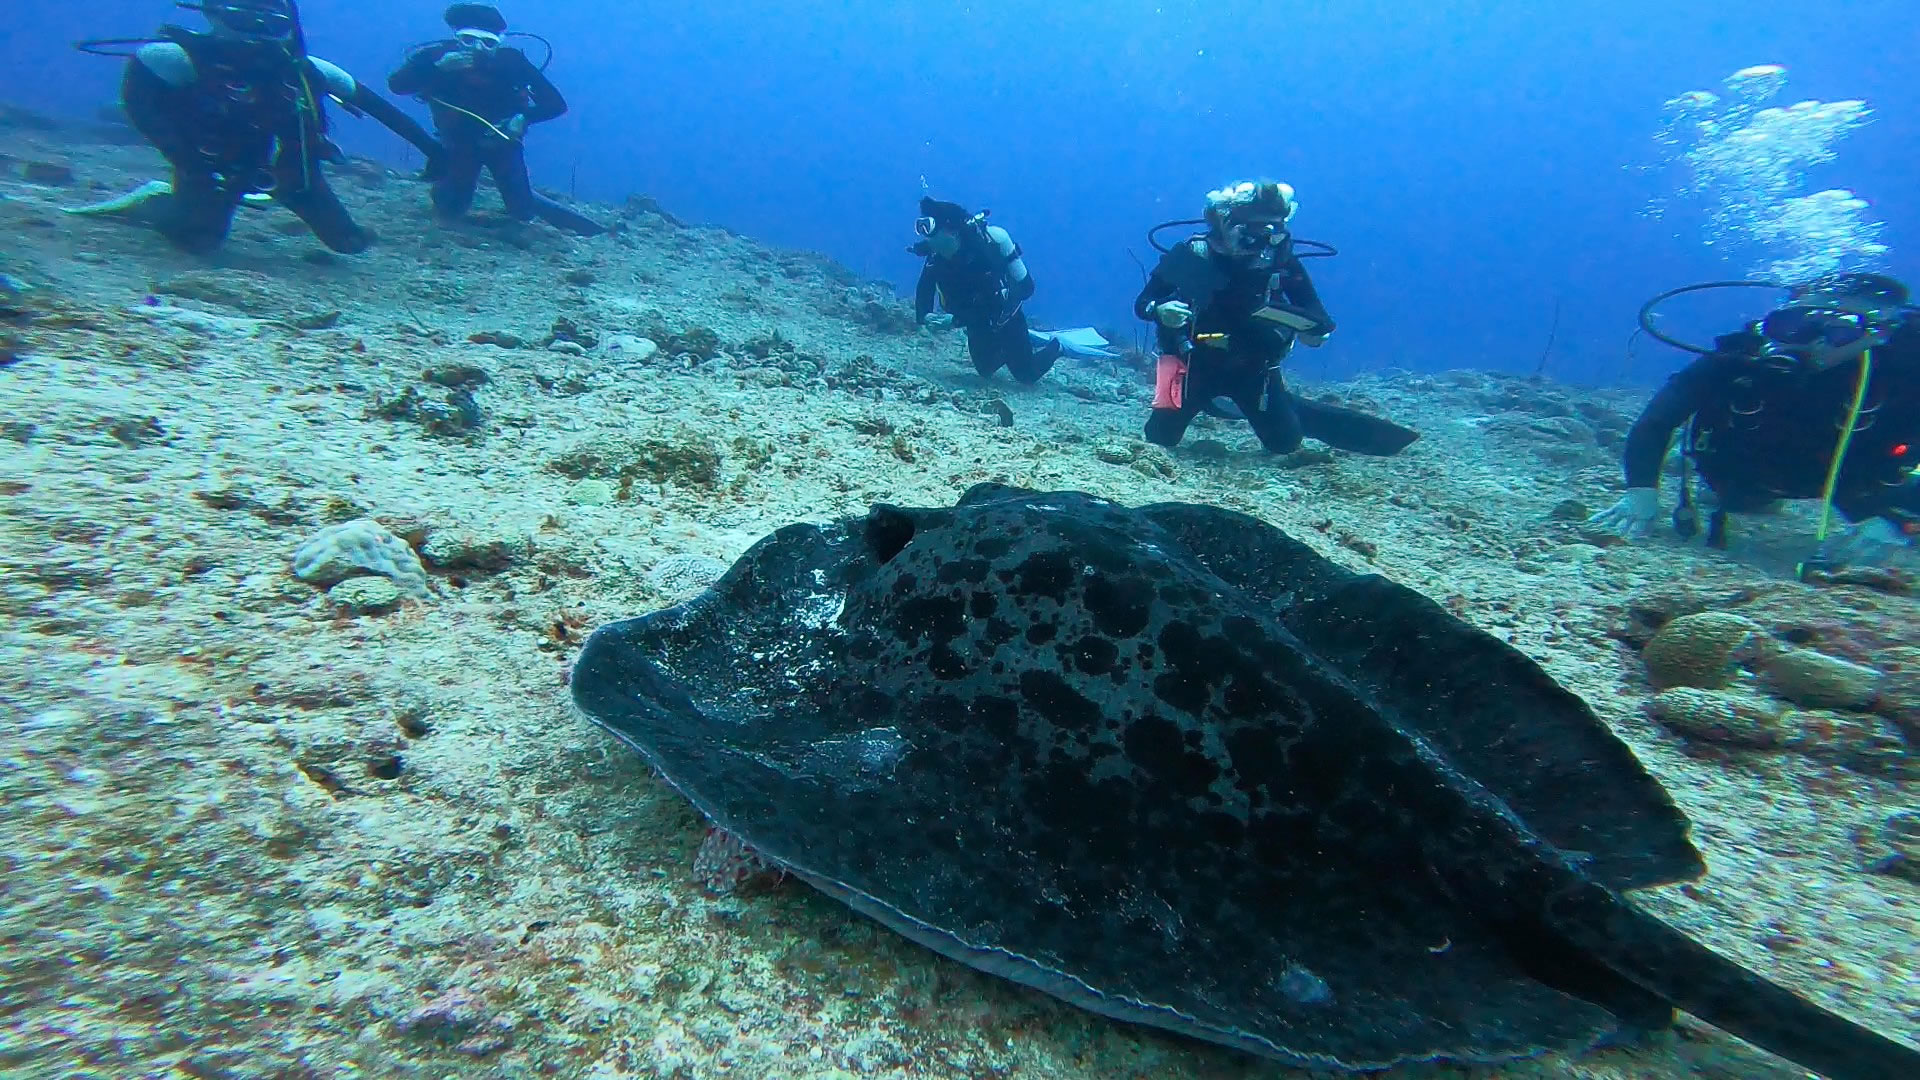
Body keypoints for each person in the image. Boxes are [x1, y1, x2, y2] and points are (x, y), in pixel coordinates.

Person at [1592, 272, 1920, 570]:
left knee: (1886, 522)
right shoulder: (1738, 357)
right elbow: (1656, 421)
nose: (1812, 342)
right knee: (1738, 500)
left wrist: (1896, 520)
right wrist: (1641, 492)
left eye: (1841, 331)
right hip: (1743, 473)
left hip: (1853, 481)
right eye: (1795, 325)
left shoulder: (1905, 376)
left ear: (1877, 335)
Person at [109, 0, 442, 254]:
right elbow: (141, 109)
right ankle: (157, 203)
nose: (256, 32)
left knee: (349, 243)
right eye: (242, 19)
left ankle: (190, 201)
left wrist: (433, 151)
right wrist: (189, 163)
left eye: (271, 24)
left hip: (291, 172)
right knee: (197, 241)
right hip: (211, 168)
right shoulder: (176, 59)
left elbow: (381, 110)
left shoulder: (307, 70)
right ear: (212, 14)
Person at [1135, 181, 1417, 456]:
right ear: (1225, 222)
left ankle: (1285, 407)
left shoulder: (1279, 261)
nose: (1264, 237)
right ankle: (1228, 403)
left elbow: (1315, 312)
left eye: (1274, 229)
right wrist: (1159, 310)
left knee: (1284, 444)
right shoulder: (1194, 254)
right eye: (1255, 228)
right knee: (1160, 437)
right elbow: (1143, 303)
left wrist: (1314, 333)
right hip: (1190, 366)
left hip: (1254, 369)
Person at [388, 4, 604, 237]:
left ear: (499, 43)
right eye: (468, 40)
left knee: (522, 210)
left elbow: (556, 104)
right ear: (456, 38)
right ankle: (444, 188)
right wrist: (436, 68)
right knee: (451, 208)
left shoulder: (511, 62)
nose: (478, 49)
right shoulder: (435, 57)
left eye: (488, 43)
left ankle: (525, 199)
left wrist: (524, 118)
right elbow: (397, 85)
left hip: (502, 142)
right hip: (458, 142)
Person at [911, 197, 1063, 384]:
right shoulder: (936, 257)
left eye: (928, 227)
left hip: (1005, 316)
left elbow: (1023, 289)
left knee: (1026, 375)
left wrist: (955, 320)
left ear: (951, 230)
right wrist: (925, 316)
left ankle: (1057, 346)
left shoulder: (984, 250)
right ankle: (1013, 347)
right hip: (974, 319)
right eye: (920, 227)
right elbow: (925, 288)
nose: (924, 236)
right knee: (986, 369)